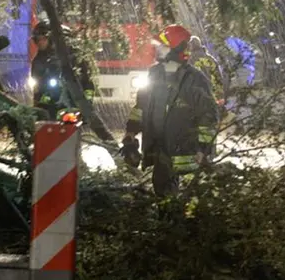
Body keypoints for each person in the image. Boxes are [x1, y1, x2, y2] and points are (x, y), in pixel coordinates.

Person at [122, 24, 219, 196]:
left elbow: (208, 116)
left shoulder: (195, 80)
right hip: (160, 147)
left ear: (177, 49)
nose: (158, 50)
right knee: (162, 190)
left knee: (187, 197)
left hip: (185, 152)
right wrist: (130, 133)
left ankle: (177, 218)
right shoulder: (154, 74)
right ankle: (169, 218)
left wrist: (202, 149)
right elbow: (141, 107)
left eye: (163, 47)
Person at [30, 20, 113, 141]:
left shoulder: (75, 57)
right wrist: (40, 104)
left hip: (73, 103)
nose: (40, 43)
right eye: (38, 40)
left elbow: (87, 82)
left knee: (72, 133)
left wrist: (86, 102)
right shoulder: (38, 60)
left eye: (43, 39)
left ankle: (105, 141)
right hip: (50, 107)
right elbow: (38, 87)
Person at [189, 36, 225, 104]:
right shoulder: (210, 58)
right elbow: (218, 77)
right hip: (213, 95)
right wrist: (220, 96)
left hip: (200, 98)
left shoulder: (190, 61)